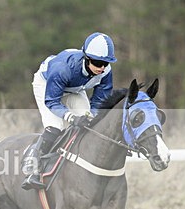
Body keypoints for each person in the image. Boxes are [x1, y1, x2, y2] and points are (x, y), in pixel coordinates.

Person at [21, 32, 117, 190]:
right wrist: (70, 117)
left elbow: (100, 101)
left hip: (74, 88)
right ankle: (32, 164)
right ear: (86, 58)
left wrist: (91, 116)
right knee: (56, 126)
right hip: (46, 84)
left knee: (88, 123)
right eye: (98, 62)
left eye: (106, 64)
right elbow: (52, 101)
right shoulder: (63, 68)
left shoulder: (105, 71)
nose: (102, 68)